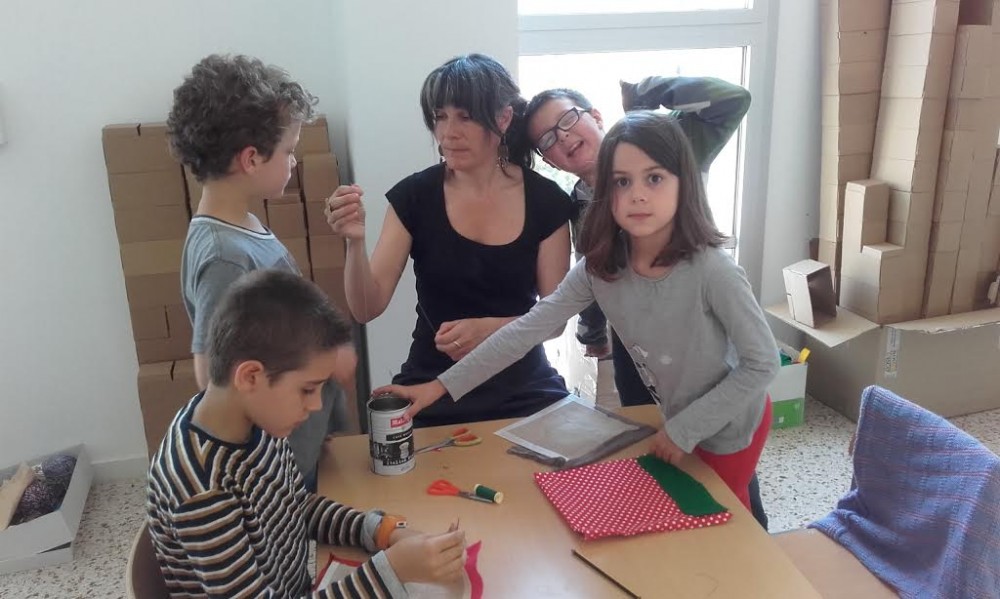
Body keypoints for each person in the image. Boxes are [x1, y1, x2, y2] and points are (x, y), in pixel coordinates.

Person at [375, 112, 779, 514]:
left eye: (654, 178)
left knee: (728, 519)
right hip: (676, 415)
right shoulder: (599, 270)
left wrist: (683, 430)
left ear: (683, 184)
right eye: (622, 182)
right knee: (687, 512)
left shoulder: (714, 271)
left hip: (731, 424)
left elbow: (762, 363)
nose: (638, 195)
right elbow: (526, 331)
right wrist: (437, 388)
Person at [525, 76, 770, 529]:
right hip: (637, 346)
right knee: (662, 460)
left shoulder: (664, 140)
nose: (563, 139)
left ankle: (749, 540)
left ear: (595, 115)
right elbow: (594, 271)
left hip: (700, 338)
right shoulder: (576, 203)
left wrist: (647, 92)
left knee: (727, 482)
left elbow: (734, 99)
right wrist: (592, 333)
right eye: (547, 140)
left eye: (567, 120)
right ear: (548, 159)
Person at [147, 269, 466, 597]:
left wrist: (383, 531)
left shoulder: (257, 421)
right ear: (251, 376)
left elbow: (295, 506)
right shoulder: (202, 490)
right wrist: (392, 571)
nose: (316, 406)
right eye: (307, 389)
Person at [325, 54, 572, 427]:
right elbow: (365, 308)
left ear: (504, 119)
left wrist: (491, 329)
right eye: (440, 117)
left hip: (525, 387)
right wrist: (354, 243)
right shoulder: (414, 196)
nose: (448, 133)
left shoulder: (547, 200)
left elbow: (554, 322)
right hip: (430, 385)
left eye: (465, 117)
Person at [169, 54, 349, 490]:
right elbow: (212, 374)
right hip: (279, 464)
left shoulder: (242, 224)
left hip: (303, 435)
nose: (293, 161)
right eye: (288, 151)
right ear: (251, 158)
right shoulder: (225, 256)